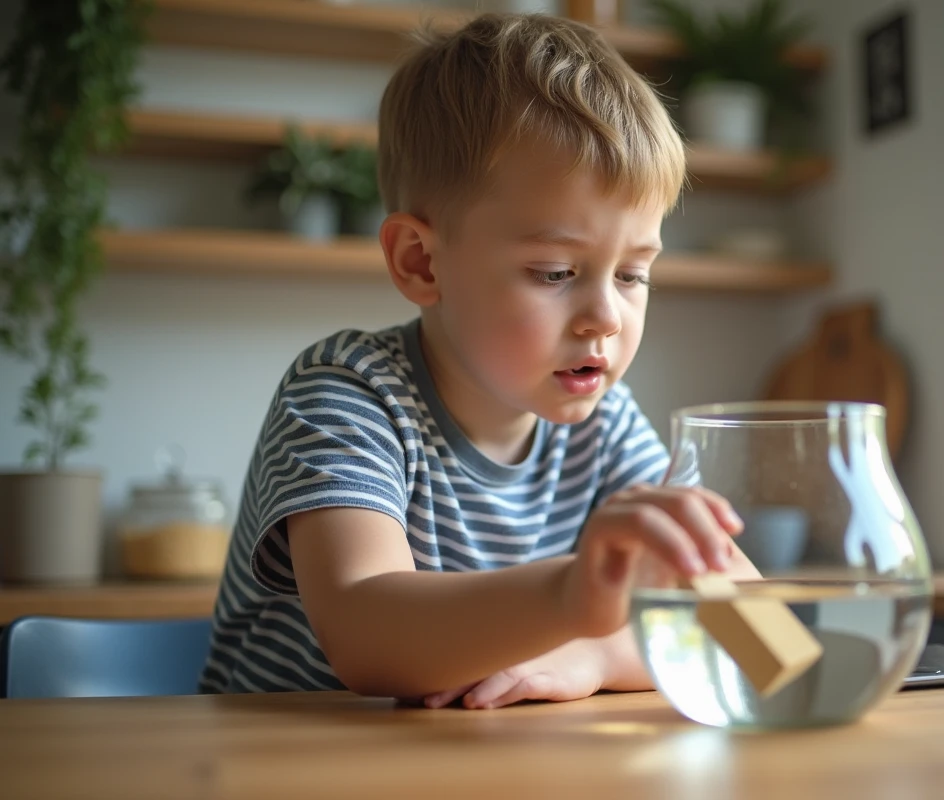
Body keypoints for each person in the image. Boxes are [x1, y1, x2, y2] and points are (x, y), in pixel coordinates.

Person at [199, 12, 756, 708]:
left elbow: (750, 623)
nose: (608, 316)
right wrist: (573, 598)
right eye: (555, 273)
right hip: (286, 755)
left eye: (632, 274)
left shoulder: (605, 421)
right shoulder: (347, 393)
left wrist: (596, 651)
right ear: (421, 262)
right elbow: (365, 632)